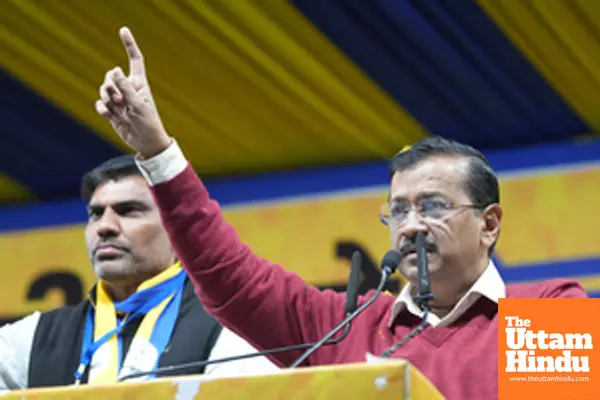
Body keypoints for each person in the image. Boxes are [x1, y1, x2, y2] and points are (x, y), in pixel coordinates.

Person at [94, 26, 588, 399]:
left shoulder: (549, 309)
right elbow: (232, 279)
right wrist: (157, 152)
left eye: (432, 206)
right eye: (398, 211)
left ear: (490, 223)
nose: (411, 225)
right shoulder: (345, 325)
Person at [0, 155, 278, 391]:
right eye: (96, 214)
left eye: (129, 211)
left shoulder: (230, 328)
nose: (104, 226)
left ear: (176, 229)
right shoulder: (38, 336)